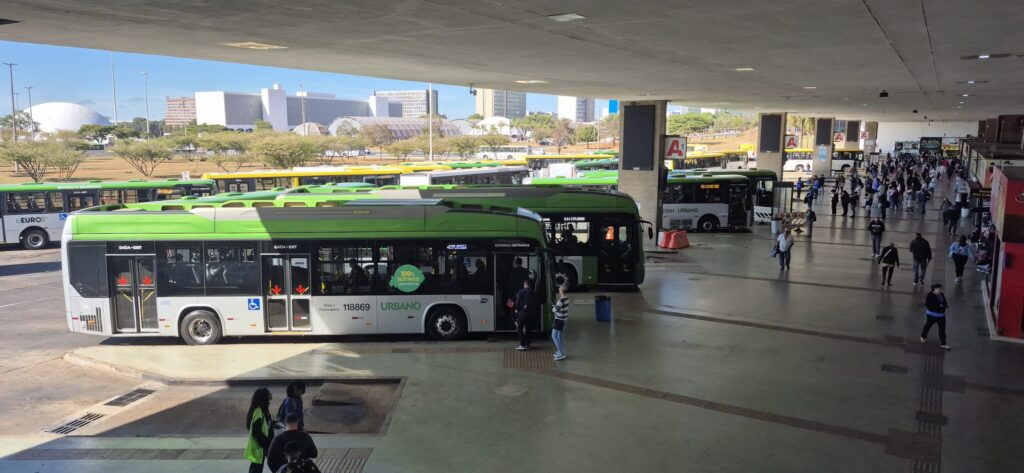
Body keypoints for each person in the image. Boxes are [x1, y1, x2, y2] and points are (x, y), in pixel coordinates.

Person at [245, 388, 274, 473]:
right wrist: (266, 444)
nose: (271, 394)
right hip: (261, 445)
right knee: (256, 467)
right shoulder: (258, 411)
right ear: (264, 397)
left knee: (257, 466)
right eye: (269, 393)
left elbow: (265, 421)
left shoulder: (264, 407)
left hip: (266, 443)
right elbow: (256, 431)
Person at [920, 284, 950, 350]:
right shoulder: (930, 295)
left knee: (942, 330)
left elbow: (944, 302)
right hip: (931, 315)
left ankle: (943, 344)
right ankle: (923, 337)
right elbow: (927, 304)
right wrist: (939, 306)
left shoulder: (942, 294)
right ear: (934, 289)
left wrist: (945, 305)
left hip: (941, 315)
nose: (940, 290)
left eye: (941, 289)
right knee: (928, 326)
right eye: (939, 289)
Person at [514, 278, 539, 350]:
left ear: (524, 284)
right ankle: (528, 344)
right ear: (530, 285)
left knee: (519, 328)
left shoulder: (521, 292)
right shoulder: (534, 293)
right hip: (531, 313)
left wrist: (516, 310)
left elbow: (517, 303)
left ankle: (522, 344)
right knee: (528, 329)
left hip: (523, 313)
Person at [551, 284, 570, 361]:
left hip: (558, 320)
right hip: (564, 320)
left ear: (561, 291)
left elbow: (554, 310)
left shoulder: (561, 300)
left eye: (559, 289)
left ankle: (562, 353)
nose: (558, 289)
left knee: (554, 336)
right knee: (560, 336)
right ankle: (560, 351)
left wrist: (554, 307)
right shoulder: (567, 298)